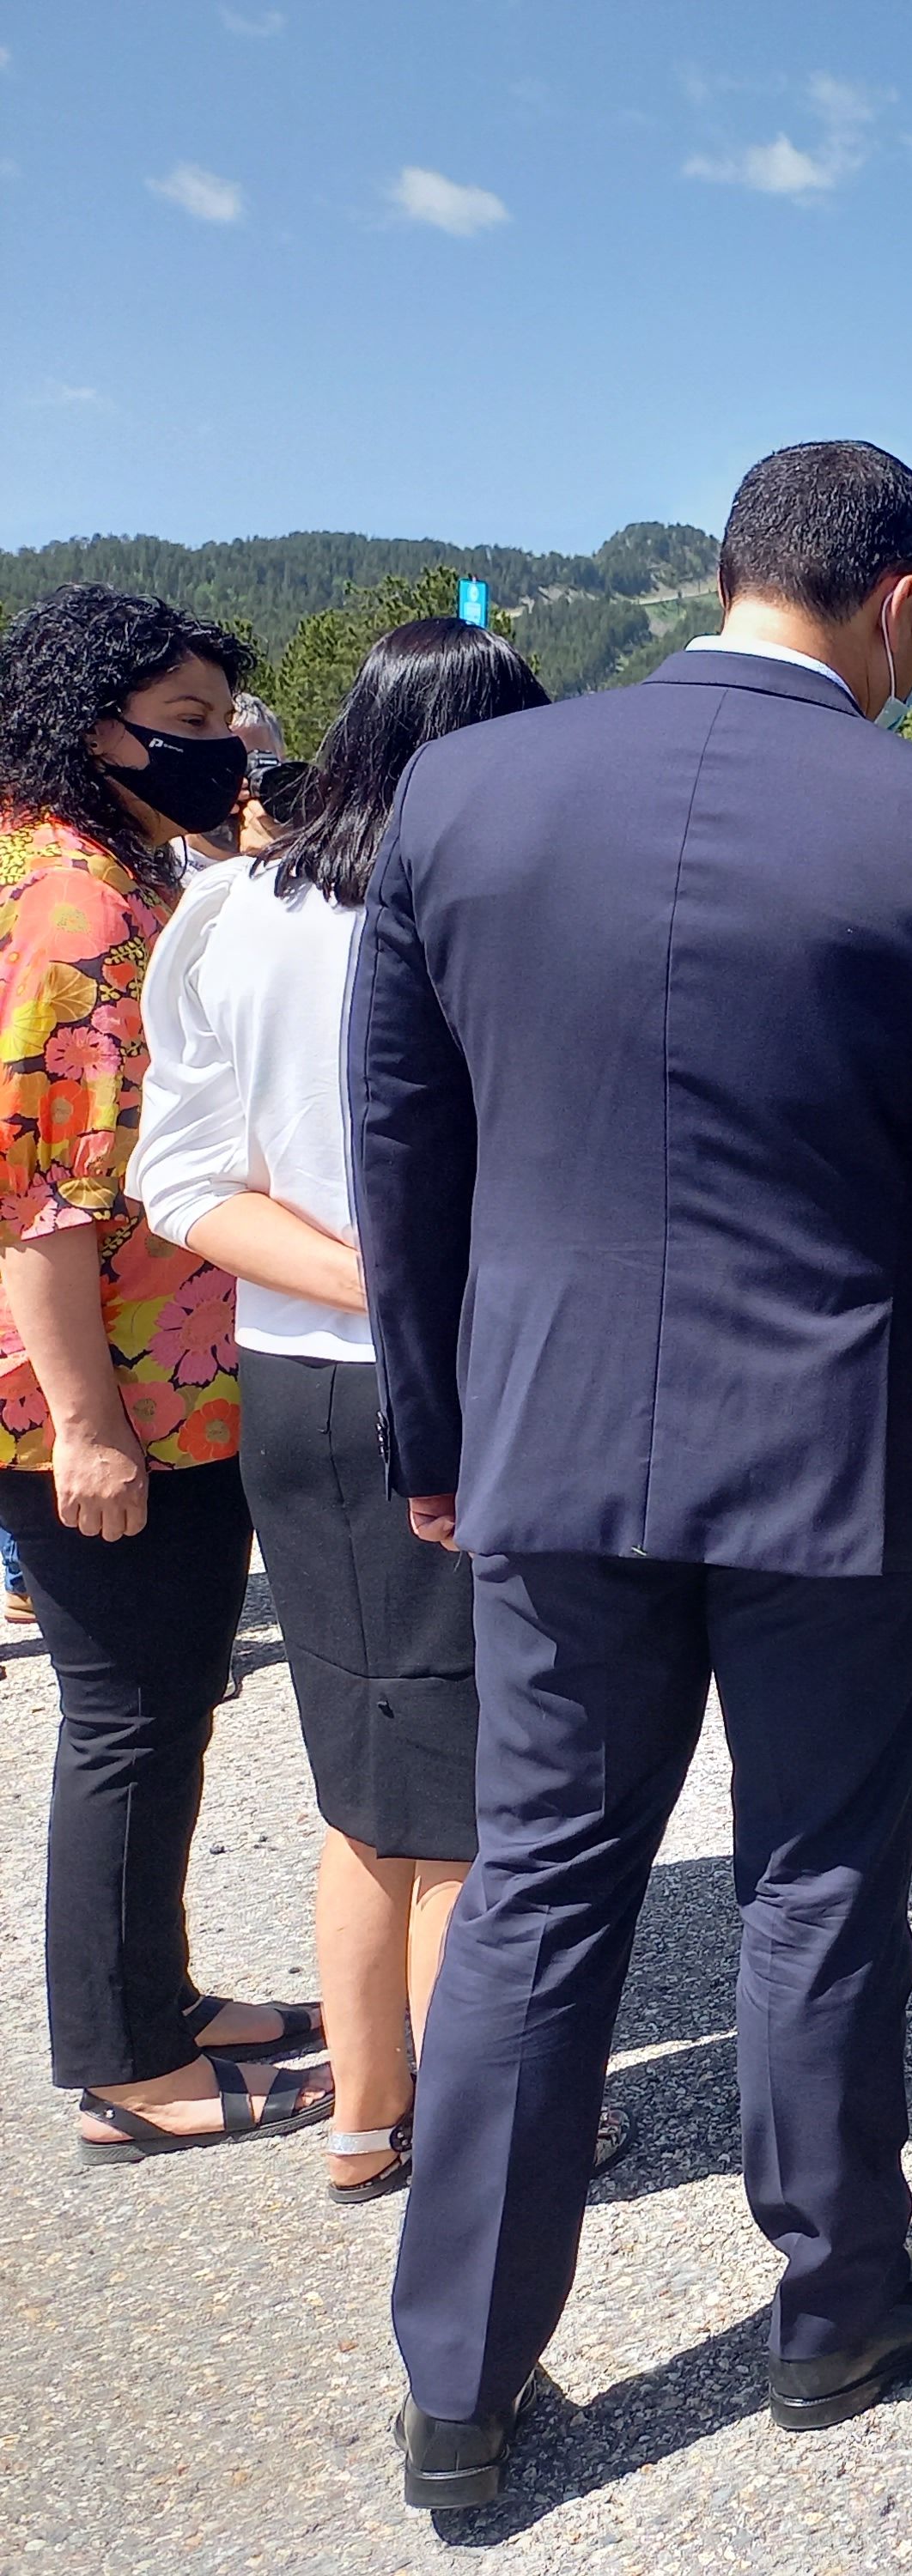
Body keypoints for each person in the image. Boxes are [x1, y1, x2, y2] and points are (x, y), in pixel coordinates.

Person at [353, 441, 912, 2513]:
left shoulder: (467, 800)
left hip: (550, 1436)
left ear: (720, 573)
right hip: (842, 1460)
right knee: (818, 1877)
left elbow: (405, 1156)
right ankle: (838, 2305)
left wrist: (440, 1434)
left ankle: (460, 2388)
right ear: (906, 609)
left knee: (542, 1888)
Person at [133, 617, 556, 2205]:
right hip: (458, 1386)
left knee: (365, 1772)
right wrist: (412, 1288)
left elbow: (176, 1179)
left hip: (288, 1388)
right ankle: (481, 2138)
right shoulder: (491, 912)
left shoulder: (233, 910)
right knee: (466, 1807)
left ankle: (366, 2117)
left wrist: (343, 1281)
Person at [0, 584, 327, 2159]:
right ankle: (124, 2062)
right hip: (115, 1394)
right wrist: (87, 1430)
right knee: (129, 1710)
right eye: (187, 729)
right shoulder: (74, 915)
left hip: (169, 1377)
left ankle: (160, 1991)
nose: (220, 754)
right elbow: (40, 1207)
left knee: (170, 1698)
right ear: (92, 730)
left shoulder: (111, 865)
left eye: (225, 725)